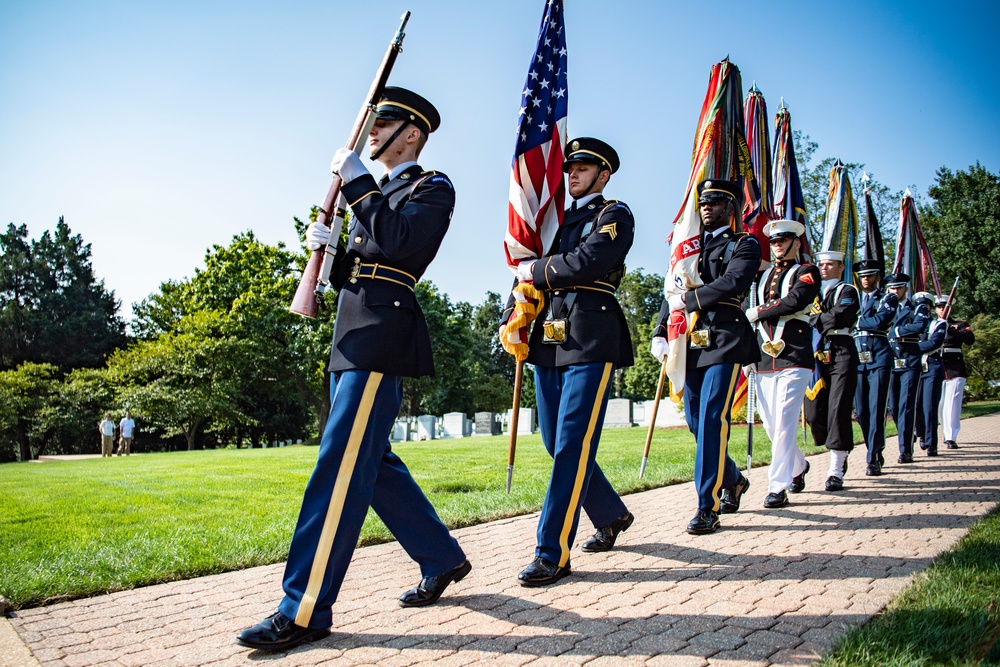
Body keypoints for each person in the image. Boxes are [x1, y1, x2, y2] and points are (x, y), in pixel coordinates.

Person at [238, 88, 470, 652]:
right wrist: (334, 255)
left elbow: (401, 245)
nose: (370, 132)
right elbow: (365, 264)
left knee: (341, 466)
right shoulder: (382, 191)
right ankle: (440, 556)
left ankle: (305, 607)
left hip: (382, 337)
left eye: (383, 123)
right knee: (372, 461)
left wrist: (356, 180)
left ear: (411, 134)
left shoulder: (430, 187)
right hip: (353, 334)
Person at [503, 137, 635, 587]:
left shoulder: (614, 215)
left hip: (591, 334)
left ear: (604, 174)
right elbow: (529, 262)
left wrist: (536, 270)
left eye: (583, 168)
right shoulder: (555, 221)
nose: (572, 174)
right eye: (570, 168)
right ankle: (611, 513)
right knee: (554, 443)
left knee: (572, 446)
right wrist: (512, 311)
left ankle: (551, 552)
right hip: (550, 335)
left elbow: (588, 260)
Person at [653, 179, 761, 535]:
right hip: (690, 341)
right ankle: (733, 479)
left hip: (725, 337)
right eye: (703, 202)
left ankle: (707, 505)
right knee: (697, 423)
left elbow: (733, 282)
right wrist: (660, 330)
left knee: (713, 417)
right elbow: (672, 287)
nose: (706, 208)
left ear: (731, 209)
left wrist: (692, 301)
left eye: (715, 202)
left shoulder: (744, 244)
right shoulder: (689, 248)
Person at [744, 220, 819, 508]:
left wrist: (758, 311)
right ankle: (798, 466)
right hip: (764, 357)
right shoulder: (760, 278)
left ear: (797, 242)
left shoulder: (806, 272)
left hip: (794, 355)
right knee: (773, 425)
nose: (777, 245)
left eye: (783, 240)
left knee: (786, 420)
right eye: (773, 241)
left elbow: (796, 301)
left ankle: (777, 487)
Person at [804, 250, 860, 492]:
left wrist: (815, 319)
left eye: (830, 264)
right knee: (814, 413)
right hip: (816, 353)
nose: (824, 268)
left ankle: (836, 468)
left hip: (841, 350)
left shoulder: (847, 290)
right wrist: (819, 318)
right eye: (821, 264)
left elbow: (840, 316)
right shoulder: (812, 293)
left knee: (838, 409)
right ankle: (837, 446)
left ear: (840, 267)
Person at [851, 259, 898, 476]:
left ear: (878, 277)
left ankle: (872, 458)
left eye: (870, 275)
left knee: (877, 407)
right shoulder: (854, 297)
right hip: (858, 358)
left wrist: (855, 322)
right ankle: (874, 449)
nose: (866, 280)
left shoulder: (887, 297)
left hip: (879, 357)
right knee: (861, 411)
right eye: (863, 276)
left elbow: (881, 321)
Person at [887, 274, 930, 464]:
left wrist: (894, 331)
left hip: (909, 359)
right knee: (893, 406)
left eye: (899, 288)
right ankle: (907, 431)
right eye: (892, 288)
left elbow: (920, 325)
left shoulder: (917, 307)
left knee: (906, 405)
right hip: (890, 358)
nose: (895, 292)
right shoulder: (884, 307)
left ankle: (905, 450)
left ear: (906, 288)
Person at [913, 293, 947, 456]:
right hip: (913, 367)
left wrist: (911, 347)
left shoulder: (938, 323)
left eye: (925, 305)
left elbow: (934, 343)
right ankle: (921, 433)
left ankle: (931, 442)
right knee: (916, 406)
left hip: (931, 367)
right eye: (918, 304)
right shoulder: (911, 323)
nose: (922, 308)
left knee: (929, 406)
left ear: (930, 307)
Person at [939, 299, 975, 449]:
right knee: (940, 405)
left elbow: (969, 340)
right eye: (939, 307)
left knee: (952, 403)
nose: (942, 309)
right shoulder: (930, 323)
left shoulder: (960, 324)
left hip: (955, 366)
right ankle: (944, 432)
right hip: (937, 367)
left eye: (944, 306)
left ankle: (951, 437)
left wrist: (951, 329)